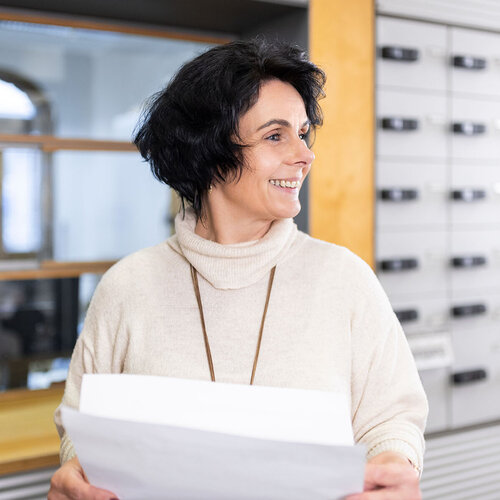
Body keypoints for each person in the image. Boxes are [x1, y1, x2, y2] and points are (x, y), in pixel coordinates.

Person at [49, 38, 427, 500]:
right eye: (275, 135)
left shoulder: (344, 279)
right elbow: (82, 427)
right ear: (208, 151)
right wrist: (76, 472)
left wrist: (392, 461)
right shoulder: (128, 286)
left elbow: (391, 419)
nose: (305, 154)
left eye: (302, 132)